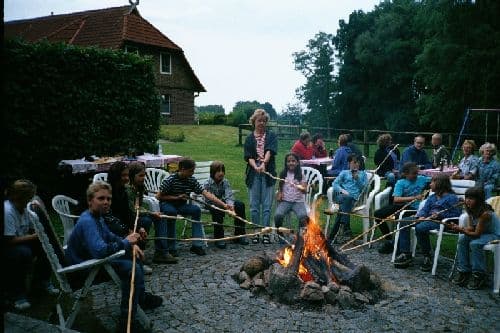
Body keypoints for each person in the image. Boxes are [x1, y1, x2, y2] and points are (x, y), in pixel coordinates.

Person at [65, 182, 162, 332]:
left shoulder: (97, 216)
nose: (106, 202)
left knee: (132, 254)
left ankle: (140, 297)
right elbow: (100, 251)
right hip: (84, 268)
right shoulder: (88, 221)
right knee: (132, 269)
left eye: (108, 199)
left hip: (92, 261)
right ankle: (126, 322)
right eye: (101, 198)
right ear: (90, 200)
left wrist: (130, 244)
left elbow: (110, 236)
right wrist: (126, 242)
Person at [3, 179, 59, 311]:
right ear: (21, 198)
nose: (33, 199)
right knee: (23, 253)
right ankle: (17, 295)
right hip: (7, 246)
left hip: (21, 240)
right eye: (30, 197)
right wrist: (34, 236)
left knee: (46, 245)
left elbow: (31, 228)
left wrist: (38, 234)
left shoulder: (25, 207)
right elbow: (8, 240)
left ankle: (41, 281)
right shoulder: (7, 211)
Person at [157, 157, 229, 255]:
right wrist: (177, 197)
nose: (193, 173)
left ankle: (197, 245)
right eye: (191, 171)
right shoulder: (170, 180)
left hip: (181, 205)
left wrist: (224, 205)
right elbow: (159, 196)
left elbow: (206, 194)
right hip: (168, 204)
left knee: (196, 210)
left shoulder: (191, 180)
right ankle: (171, 247)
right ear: (182, 169)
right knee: (171, 212)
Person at [394, 174, 462, 271]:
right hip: (427, 218)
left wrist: (440, 215)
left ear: (439, 184)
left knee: (421, 227)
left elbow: (456, 215)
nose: (430, 185)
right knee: (404, 221)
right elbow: (425, 209)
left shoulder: (452, 198)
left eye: (432, 182)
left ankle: (427, 256)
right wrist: (421, 216)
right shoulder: (432, 197)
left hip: (440, 222)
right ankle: (405, 253)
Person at [449, 187, 500, 289]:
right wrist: (459, 228)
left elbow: (476, 234)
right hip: (482, 233)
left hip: (493, 234)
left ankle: (479, 274)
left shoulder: (485, 213)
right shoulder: (471, 210)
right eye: (466, 198)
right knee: (463, 239)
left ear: (479, 200)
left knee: (475, 243)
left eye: (471, 199)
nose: (467, 200)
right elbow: (471, 228)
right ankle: (464, 270)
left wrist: (462, 230)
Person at [373, 163, 430, 254]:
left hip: (415, 208)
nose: (416, 175)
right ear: (406, 174)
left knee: (399, 216)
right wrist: (414, 197)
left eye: (416, 173)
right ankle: (389, 239)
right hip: (402, 204)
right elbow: (396, 199)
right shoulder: (400, 183)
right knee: (378, 214)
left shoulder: (422, 179)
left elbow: (435, 181)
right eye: (413, 174)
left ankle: (396, 244)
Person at [126, 162, 176, 264]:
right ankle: (139, 253)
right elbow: (132, 209)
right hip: (129, 217)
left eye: (144, 175)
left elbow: (139, 206)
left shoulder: (139, 187)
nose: (143, 178)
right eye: (140, 175)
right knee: (146, 221)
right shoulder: (128, 189)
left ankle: (161, 252)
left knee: (161, 217)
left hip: (138, 213)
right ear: (131, 176)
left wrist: (153, 213)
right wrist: (151, 213)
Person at [243, 109, 278, 244]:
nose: (262, 123)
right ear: (254, 122)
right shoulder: (249, 138)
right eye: (259, 121)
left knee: (267, 205)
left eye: (264, 121)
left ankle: (265, 233)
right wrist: (256, 166)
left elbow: (270, 150)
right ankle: (256, 232)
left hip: (268, 172)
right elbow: (248, 156)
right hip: (253, 173)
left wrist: (264, 163)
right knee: (254, 205)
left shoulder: (271, 136)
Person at [203, 161, 249, 248]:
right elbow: (208, 199)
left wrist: (230, 206)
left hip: (224, 203)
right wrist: (223, 205)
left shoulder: (225, 182)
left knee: (240, 205)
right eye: (218, 171)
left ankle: (240, 235)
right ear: (213, 173)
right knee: (217, 210)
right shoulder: (207, 183)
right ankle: (219, 238)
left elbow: (229, 195)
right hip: (210, 204)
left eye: (222, 171)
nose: (221, 173)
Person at [328, 154, 368, 242]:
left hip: (353, 200)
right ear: (349, 163)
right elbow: (334, 184)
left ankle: (332, 236)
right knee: (347, 198)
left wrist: (357, 179)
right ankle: (346, 226)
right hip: (341, 197)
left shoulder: (363, 174)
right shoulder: (344, 173)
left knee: (343, 209)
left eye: (358, 162)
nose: (356, 164)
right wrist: (342, 190)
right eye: (354, 162)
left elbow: (365, 189)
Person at [274, 153, 309, 241]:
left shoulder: (301, 175)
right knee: (278, 215)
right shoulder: (283, 174)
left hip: (298, 201)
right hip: (285, 201)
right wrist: (280, 193)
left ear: (297, 163)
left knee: (303, 216)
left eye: (293, 161)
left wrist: (300, 187)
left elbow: (305, 190)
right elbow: (280, 187)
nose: (291, 163)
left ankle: (300, 236)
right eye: (288, 161)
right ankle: (280, 234)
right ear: (286, 163)